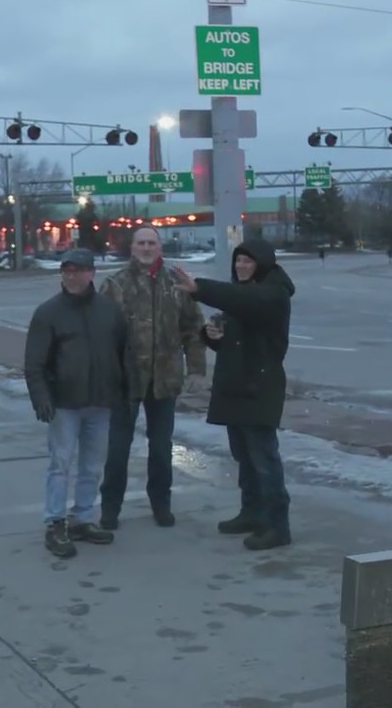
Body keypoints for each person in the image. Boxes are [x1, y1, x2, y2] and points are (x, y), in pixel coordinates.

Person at [174, 238, 296, 550]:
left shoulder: (272, 293)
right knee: (243, 457)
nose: (241, 266)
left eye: (247, 261)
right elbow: (234, 331)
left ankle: (277, 525)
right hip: (236, 385)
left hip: (260, 386)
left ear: (262, 264)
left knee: (264, 459)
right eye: (238, 261)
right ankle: (252, 513)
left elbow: (246, 302)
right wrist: (212, 336)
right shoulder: (244, 292)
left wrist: (199, 287)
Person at [24, 248, 134, 558]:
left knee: (92, 465)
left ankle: (83, 517)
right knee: (60, 463)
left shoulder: (109, 311)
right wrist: (41, 398)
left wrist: (126, 392)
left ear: (91, 273)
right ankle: (55, 521)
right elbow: (34, 363)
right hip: (64, 403)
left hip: (101, 401)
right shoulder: (48, 313)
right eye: (66, 271)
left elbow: (123, 355)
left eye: (78, 270)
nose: (72, 276)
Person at [98, 227, 206, 530]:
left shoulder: (176, 283)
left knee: (161, 447)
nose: (146, 248)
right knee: (118, 449)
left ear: (160, 247)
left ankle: (161, 503)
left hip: (165, 379)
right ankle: (110, 507)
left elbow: (193, 329)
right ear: (132, 248)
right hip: (126, 381)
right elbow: (101, 334)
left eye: (152, 243)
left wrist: (196, 369)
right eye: (141, 243)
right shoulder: (115, 284)